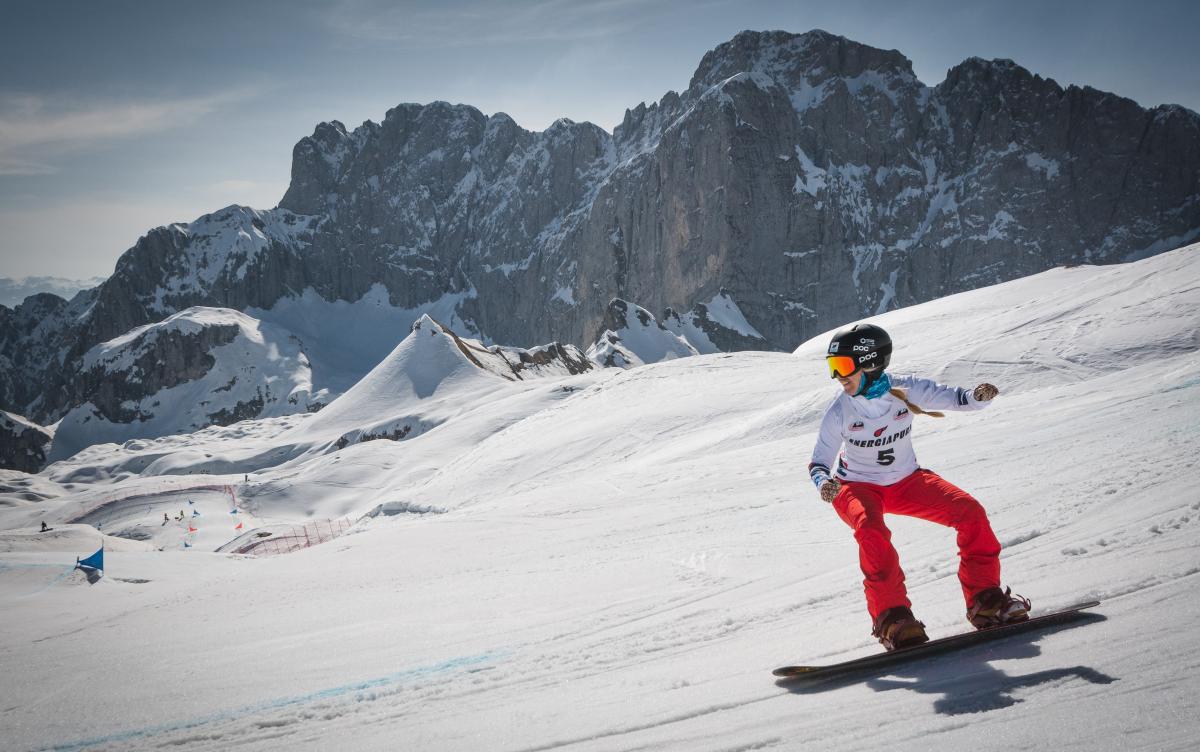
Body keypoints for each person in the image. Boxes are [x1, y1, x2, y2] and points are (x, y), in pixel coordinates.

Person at [808, 323, 1030, 651]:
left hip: (907, 482)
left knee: (969, 513)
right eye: (832, 368)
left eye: (842, 367)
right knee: (871, 529)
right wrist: (825, 484)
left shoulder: (906, 390)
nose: (837, 377)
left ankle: (986, 601)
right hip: (854, 487)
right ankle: (892, 619)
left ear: (870, 364)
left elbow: (956, 399)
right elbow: (818, 463)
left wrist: (977, 398)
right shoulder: (840, 410)